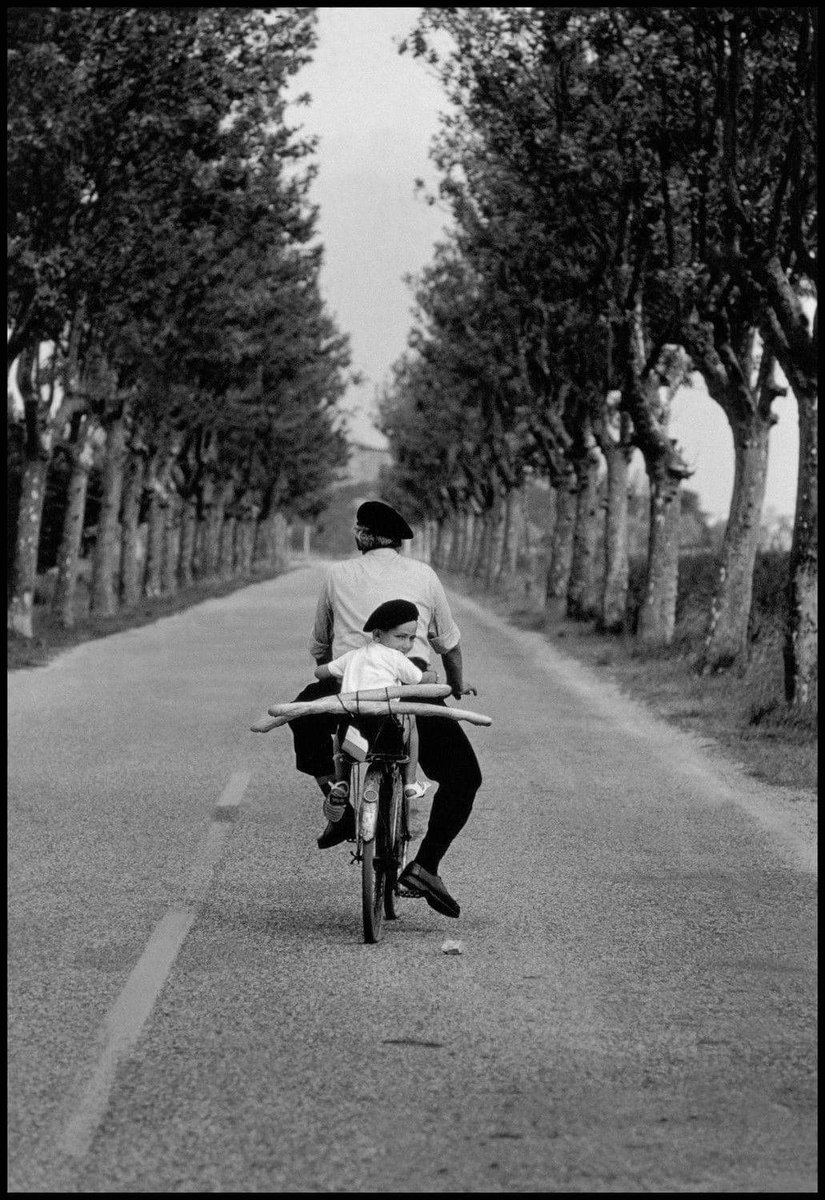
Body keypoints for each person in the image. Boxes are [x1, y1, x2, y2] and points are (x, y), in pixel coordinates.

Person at [290, 499, 482, 919]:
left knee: (302, 717)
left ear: (361, 535)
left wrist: (337, 671)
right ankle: (426, 867)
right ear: (398, 541)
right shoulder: (424, 576)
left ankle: (339, 803)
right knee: (464, 777)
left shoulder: (337, 575)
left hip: (350, 692)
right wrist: (455, 683)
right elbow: (448, 642)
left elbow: (320, 646)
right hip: (408, 693)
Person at [313, 597, 436, 830]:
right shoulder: (396, 658)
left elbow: (321, 672)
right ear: (377, 634)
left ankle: (341, 782)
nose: (407, 644)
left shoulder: (353, 656)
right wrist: (434, 676)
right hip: (385, 727)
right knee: (411, 719)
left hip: (354, 727)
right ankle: (410, 782)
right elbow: (418, 679)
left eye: (411, 638)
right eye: (401, 637)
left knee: (341, 738)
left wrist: (336, 673)